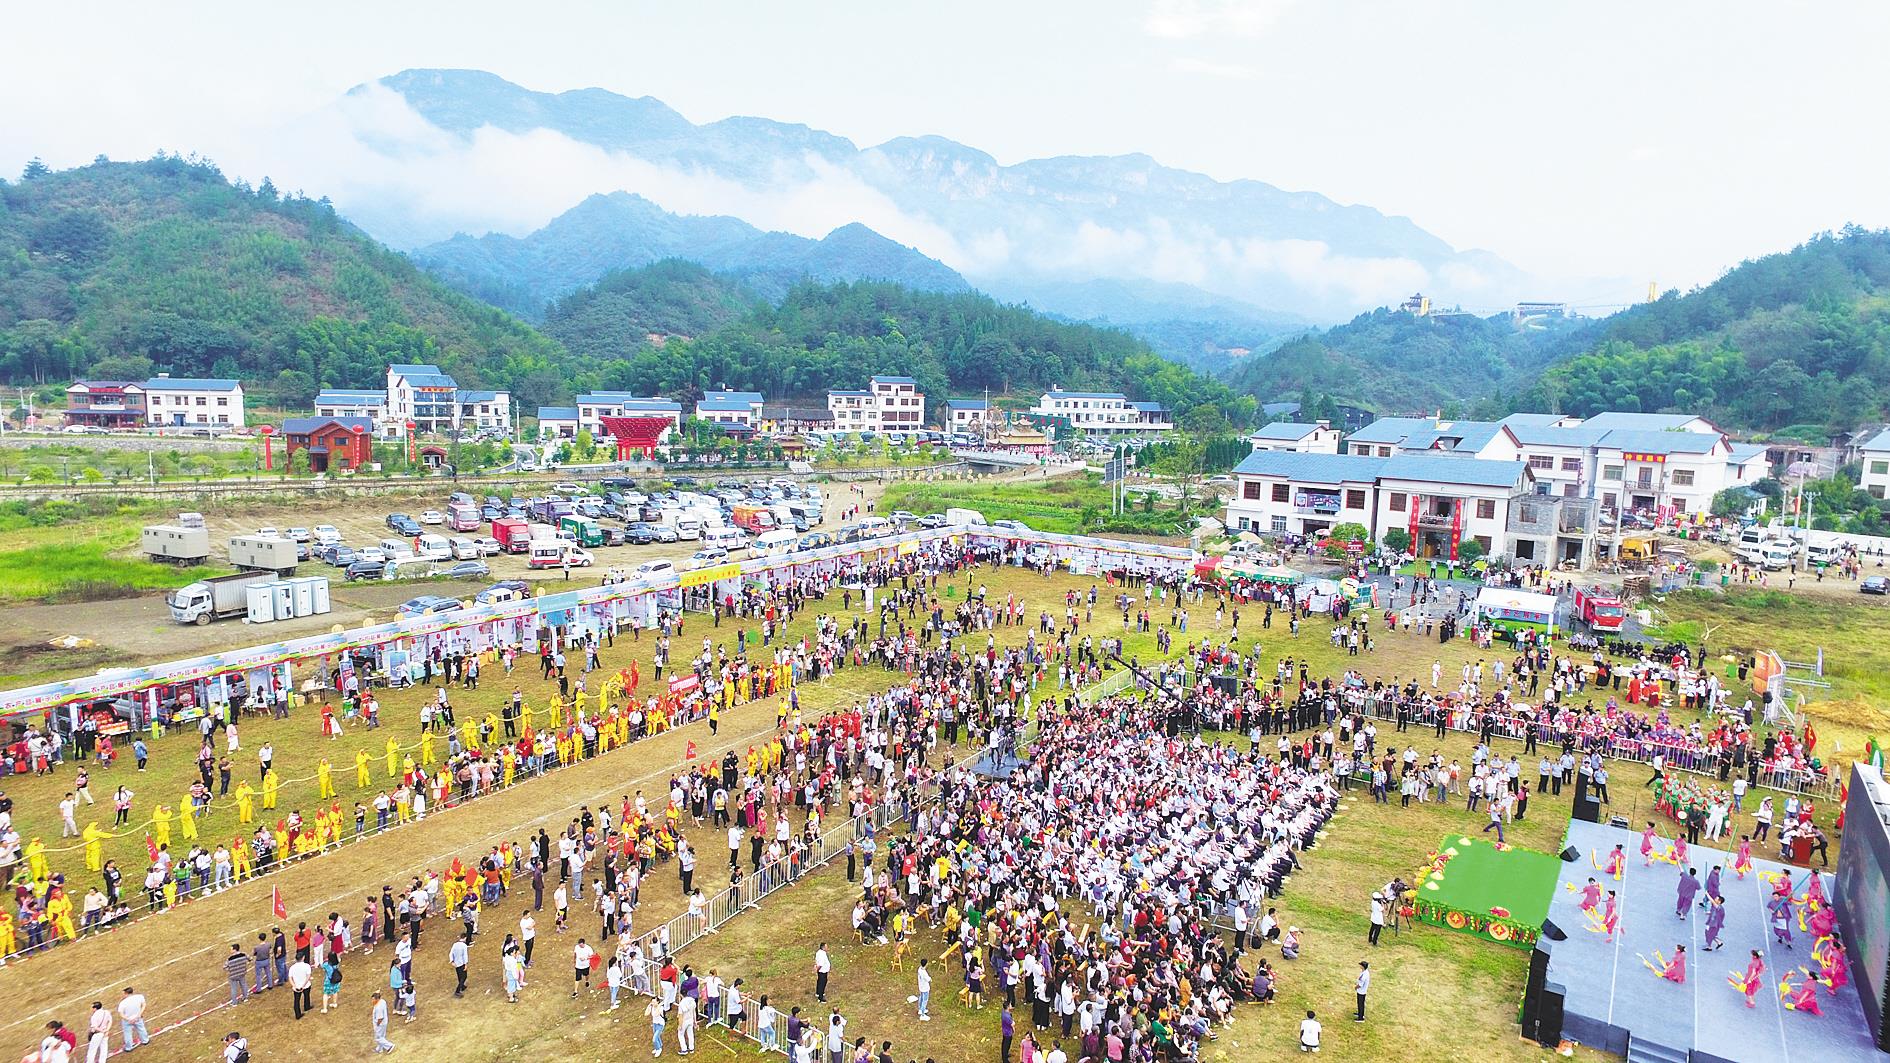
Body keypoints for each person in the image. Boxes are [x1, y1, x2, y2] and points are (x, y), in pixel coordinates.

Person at [117, 988, 150, 1053]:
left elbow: (121, 1014)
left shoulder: (123, 1003)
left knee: (127, 1033)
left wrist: (129, 1019)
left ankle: (128, 1047)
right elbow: (143, 1005)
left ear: (126, 993)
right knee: (141, 1029)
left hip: (127, 1020)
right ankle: (145, 1040)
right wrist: (139, 1015)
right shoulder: (139, 997)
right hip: (138, 1018)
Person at [287, 954, 314, 1019]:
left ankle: (298, 1014)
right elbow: (308, 976)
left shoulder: (292, 967)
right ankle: (307, 1006)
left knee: (296, 1000)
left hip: (296, 986)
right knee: (306, 996)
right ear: (303, 958)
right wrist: (304, 985)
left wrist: (294, 986)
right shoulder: (306, 966)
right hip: (306, 985)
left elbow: (290, 978)